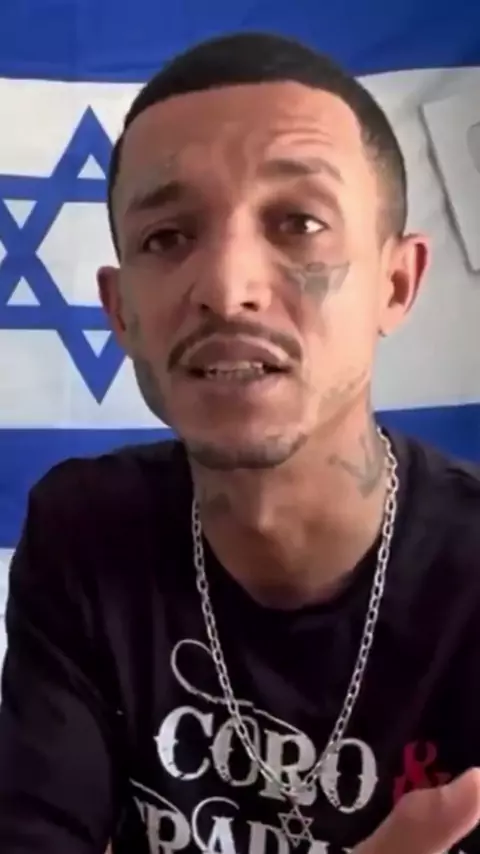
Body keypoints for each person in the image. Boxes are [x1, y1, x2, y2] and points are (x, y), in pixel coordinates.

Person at [0, 30, 480, 854]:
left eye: (298, 222)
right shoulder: (83, 533)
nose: (226, 290)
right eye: (166, 238)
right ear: (120, 312)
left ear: (396, 283)